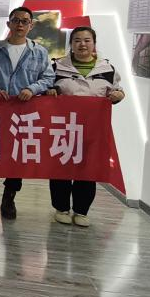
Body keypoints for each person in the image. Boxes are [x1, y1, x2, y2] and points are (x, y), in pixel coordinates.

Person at [0, 6, 55, 220]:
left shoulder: (39, 52)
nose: (20, 24)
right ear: (8, 23)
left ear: (31, 25)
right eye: (16, 20)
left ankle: (9, 198)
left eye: (24, 21)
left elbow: (48, 78)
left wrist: (32, 89)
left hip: (24, 112)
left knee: (18, 155)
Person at [47, 26, 125, 227]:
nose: (82, 44)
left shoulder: (107, 69)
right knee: (61, 168)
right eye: (77, 40)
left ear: (94, 43)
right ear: (71, 44)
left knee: (88, 170)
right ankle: (61, 208)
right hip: (63, 128)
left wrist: (119, 95)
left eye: (87, 40)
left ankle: (81, 211)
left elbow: (117, 90)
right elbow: (47, 87)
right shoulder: (56, 66)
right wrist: (50, 92)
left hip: (93, 130)